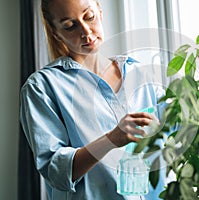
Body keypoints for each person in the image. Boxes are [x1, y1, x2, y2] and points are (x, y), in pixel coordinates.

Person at [20, 0, 169, 199]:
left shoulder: (140, 74)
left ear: (100, 11)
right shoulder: (42, 87)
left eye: (89, 17)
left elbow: (176, 130)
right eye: (70, 26)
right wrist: (111, 139)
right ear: (56, 32)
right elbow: (56, 172)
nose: (86, 32)